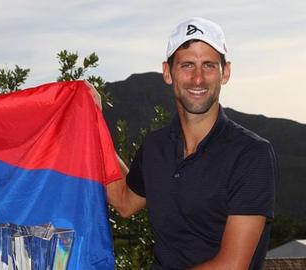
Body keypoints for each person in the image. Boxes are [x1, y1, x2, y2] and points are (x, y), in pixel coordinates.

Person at [100, 17, 278, 269]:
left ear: (225, 72)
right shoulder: (155, 146)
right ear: (167, 72)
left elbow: (232, 265)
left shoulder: (252, 153)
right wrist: (92, 123)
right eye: (187, 65)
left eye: (208, 65)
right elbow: (125, 202)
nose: (197, 78)